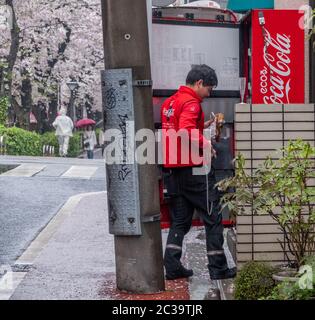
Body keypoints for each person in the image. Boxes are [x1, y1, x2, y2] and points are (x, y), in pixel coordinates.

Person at [161, 64, 237, 280]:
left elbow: (181, 128)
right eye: (209, 89)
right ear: (199, 83)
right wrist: (206, 144)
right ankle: (218, 269)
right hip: (195, 171)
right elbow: (186, 131)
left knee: (180, 221)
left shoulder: (171, 101)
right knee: (213, 217)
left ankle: (173, 266)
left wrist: (207, 124)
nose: (208, 94)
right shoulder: (191, 103)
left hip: (173, 170)